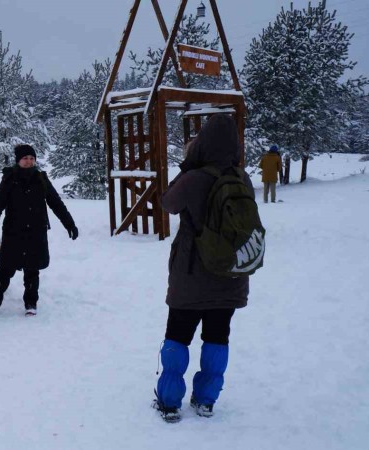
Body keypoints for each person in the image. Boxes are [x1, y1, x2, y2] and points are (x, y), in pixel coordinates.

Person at [153, 114, 255, 423]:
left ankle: (170, 402)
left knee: (178, 335)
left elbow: (167, 203)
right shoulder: (242, 178)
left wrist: (187, 167)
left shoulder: (193, 178)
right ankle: (206, 400)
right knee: (217, 337)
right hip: (231, 274)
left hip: (192, 274)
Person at [0, 144, 78, 318]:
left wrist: (69, 224)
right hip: (13, 233)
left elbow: (56, 203)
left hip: (36, 232)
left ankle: (31, 303)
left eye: (32, 158)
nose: (29, 161)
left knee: (32, 271)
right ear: (18, 160)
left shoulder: (41, 179)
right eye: (25, 158)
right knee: (5, 270)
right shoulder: (9, 179)